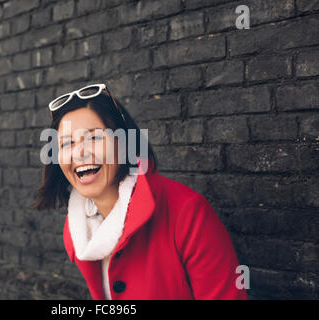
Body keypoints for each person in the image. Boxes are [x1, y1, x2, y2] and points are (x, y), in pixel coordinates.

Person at [32, 83, 248, 300]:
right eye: (66, 143)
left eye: (94, 138)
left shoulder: (188, 213)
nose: (79, 153)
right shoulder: (78, 229)